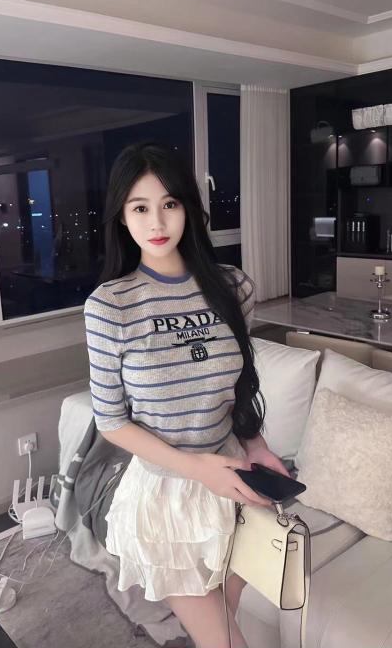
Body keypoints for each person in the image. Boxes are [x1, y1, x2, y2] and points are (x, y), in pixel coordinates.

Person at [83, 142, 290, 648]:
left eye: (169, 204)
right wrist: (197, 469)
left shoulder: (233, 287)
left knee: (223, 621)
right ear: (122, 217)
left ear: (189, 208)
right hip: (167, 497)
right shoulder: (110, 307)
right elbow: (111, 421)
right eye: (140, 207)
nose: (157, 222)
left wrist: (257, 445)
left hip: (234, 483)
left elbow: (238, 384)